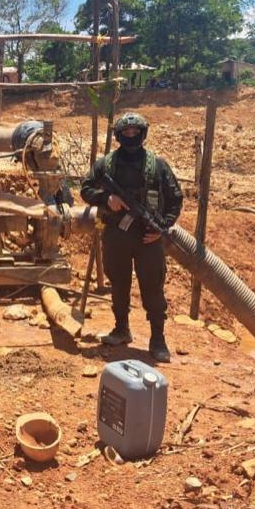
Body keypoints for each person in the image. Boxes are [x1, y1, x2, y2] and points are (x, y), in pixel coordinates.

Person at [80, 112, 183, 362]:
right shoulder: (106, 164)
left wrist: (162, 228)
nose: (130, 136)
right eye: (125, 133)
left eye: (134, 132)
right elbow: (85, 188)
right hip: (117, 236)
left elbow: (175, 198)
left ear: (142, 134)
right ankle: (121, 328)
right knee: (119, 284)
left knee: (153, 289)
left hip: (148, 238)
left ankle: (157, 339)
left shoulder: (157, 165)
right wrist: (107, 198)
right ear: (118, 136)